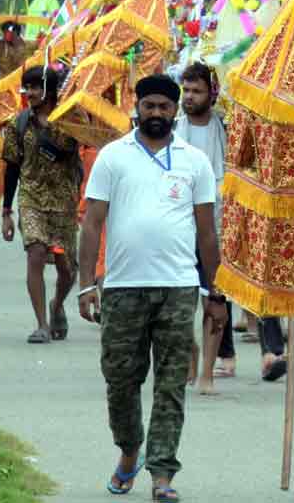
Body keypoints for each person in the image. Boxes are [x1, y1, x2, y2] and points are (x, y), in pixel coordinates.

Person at [77, 74, 225, 500]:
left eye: (164, 106)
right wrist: (87, 286)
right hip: (123, 288)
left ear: (175, 110)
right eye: (149, 106)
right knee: (120, 380)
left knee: (171, 383)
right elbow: (91, 223)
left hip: (178, 288)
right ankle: (129, 450)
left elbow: (207, 235)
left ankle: (163, 474)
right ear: (137, 108)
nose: (156, 113)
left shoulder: (194, 161)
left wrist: (215, 293)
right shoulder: (112, 157)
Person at [1, 64, 82, 344]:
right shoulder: (18, 124)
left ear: (50, 90)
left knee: (66, 267)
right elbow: (11, 168)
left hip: (64, 203)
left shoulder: (71, 120)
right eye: (28, 87)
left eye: (36, 86)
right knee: (35, 252)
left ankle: (57, 304)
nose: (30, 93)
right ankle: (41, 325)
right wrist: (6, 212)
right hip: (31, 199)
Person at [174, 63, 234, 394]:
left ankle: (208, 373)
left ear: (211, 94)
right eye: (186, 90)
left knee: (215, 297)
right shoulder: (171, 129)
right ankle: (191, 356)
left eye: (196, 91)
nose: (190, 97)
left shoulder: (225, 127)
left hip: (217, 222)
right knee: (181, 299)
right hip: (179, 225)